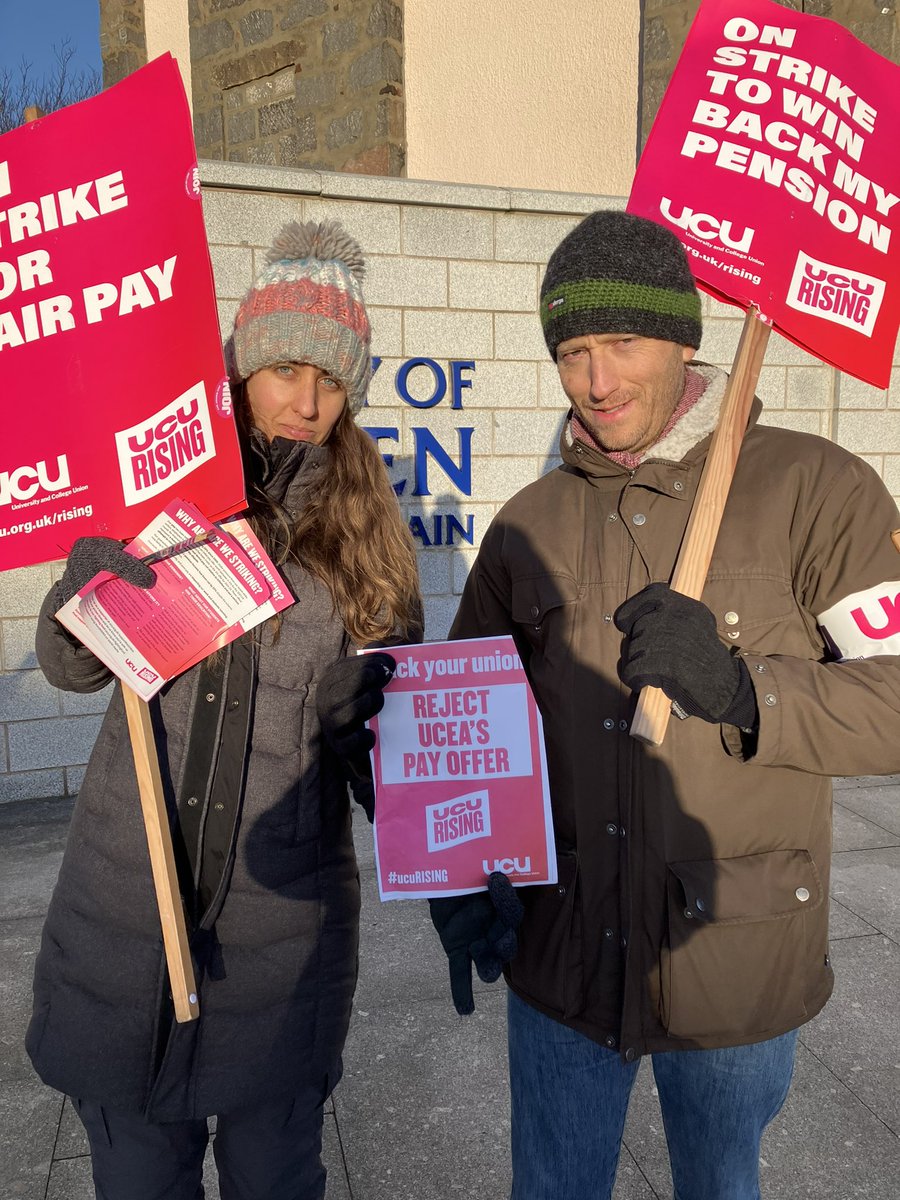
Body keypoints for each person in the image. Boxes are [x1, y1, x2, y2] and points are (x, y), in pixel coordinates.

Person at [427, 210, 900, 1200]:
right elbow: (469, 723)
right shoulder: (527, 524)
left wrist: (742, 688)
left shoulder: (817, 488)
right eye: (573, 352)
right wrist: (459, 869)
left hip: (733, 954)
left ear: (684, 339)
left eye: (623, 343)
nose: (597, 382)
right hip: (562, 952)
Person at [27, 220, 420, 1200]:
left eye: (330, 381)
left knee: (273, 1179)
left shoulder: (369, 546)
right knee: (138, 1180)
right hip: (124, 920)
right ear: (241, 368)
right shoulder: (164, 494)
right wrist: (80, 597)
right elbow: (73, 670)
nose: (306, 402)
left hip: (277, 950)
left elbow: (397, 777)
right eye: (284, 370)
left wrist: (370, 729)